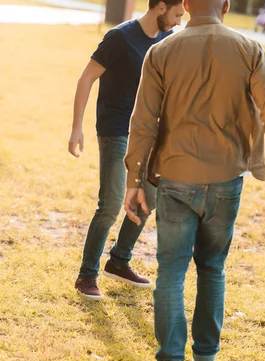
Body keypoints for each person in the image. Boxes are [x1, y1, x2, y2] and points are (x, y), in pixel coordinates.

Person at [123, 0, 265, 361]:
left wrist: (134, 178)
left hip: (175, 177)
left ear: (185, 5)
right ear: (227, 5)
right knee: (212, 268)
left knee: (171, 271)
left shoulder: (161, 51)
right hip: (225, 179)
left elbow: (143, 121)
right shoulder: (250, 49)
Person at [68, 0, 185, 300]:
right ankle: (87, 275)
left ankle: (119, 260)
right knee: (110, 203)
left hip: (147, 133)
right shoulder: (120, 37)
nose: (178, 20)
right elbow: (86, 77)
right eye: (175, 14)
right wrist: (76, 127)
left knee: (151, 196)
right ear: (160, 7)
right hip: (115, 129)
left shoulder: (168, 40)